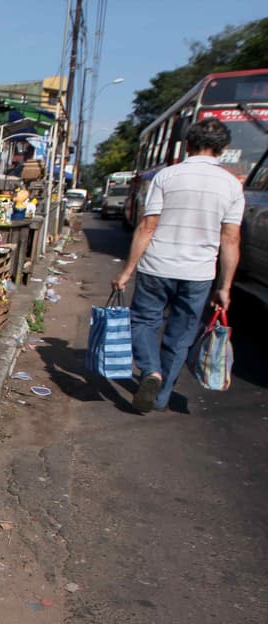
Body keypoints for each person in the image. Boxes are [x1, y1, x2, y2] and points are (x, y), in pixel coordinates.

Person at [111, 118, 243, 413]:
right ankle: (161, 396)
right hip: (199, 274)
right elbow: (231, 239)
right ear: (223, 149)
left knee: (144, 322)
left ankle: (151, 371)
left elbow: (147, 226)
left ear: (188, 145)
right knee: (181, 334)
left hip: (156, 267)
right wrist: (224, 287)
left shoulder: (167, 176)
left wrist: (127, 271)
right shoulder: (232, 185)